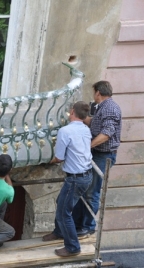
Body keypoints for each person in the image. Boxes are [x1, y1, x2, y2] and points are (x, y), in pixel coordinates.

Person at [42, 101, 93, 257]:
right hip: (86, 175)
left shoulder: (65, 131)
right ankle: (59, 232)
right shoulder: (85, 129)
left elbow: (59, 157)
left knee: (64, 213)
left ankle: (72, 247)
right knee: (62, 203)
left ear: (72, 112)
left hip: (75, 179)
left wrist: (47, 161)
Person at [72, 81, 122, 237]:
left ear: (98, 93)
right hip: (97, 154)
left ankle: (88, 226)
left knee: (92, 192)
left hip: (103, 155)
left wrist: (89, 146)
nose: (93, 96)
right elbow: (94, 123)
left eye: (94, 92)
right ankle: (80, 224)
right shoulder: (104, 108)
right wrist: (78, 118)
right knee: (85, 189)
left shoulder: (111, 108)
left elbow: (107, 133)